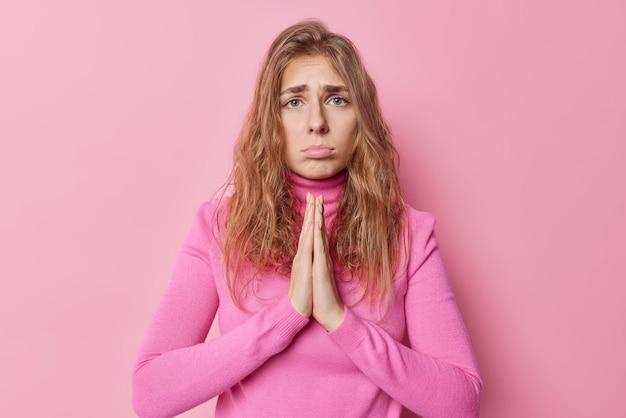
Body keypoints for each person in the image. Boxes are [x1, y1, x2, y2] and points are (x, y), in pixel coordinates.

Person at [132, 19, 481, 418]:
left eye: (337, 100)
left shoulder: (410, 235)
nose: (317, 122)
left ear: (361, 119)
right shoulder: (219, 227)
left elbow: (461, 402)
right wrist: (285, 318)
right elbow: (150, 393)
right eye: (294, 102)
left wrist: (340, 320)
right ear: (271, 122)